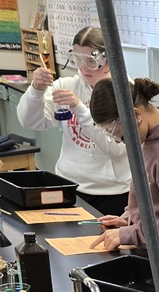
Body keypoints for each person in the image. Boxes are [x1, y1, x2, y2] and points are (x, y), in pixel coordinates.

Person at [88, 77, 159, 269]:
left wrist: (129, 234)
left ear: (136, 114)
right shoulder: (153, 136)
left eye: (120, 135)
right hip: (158, 251)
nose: (118, 141)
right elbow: (156, 199)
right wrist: (130, 219)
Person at [16, 26, 130, 215]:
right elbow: (29, 121)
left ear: (109, 59)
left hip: (112, 192)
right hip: (69, 186)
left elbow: (116, 148)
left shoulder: (124, 92)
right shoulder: (68, 86)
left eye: (91, 61)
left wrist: (80, 109)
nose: (83, 68)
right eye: (78, 59)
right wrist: (36, 90)